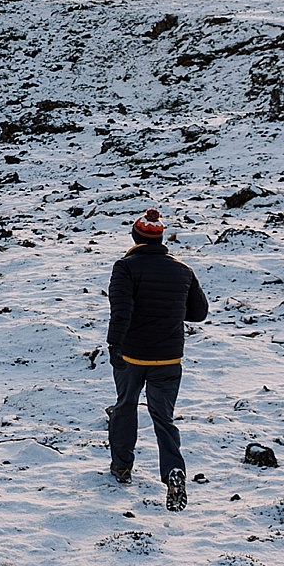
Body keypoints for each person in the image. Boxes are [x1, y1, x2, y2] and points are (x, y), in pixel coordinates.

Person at [104, 208, 208, 512]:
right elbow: (199, 313)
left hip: (132, 356)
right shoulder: (183, 270)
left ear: (136, 237)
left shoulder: (125, 267)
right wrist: (170, 311)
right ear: (160, 238)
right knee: (163, 417)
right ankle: (174, 472)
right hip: (168, 357)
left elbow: (121, 311)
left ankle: (122, 468)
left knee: (125, 406)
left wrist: (114, 345)